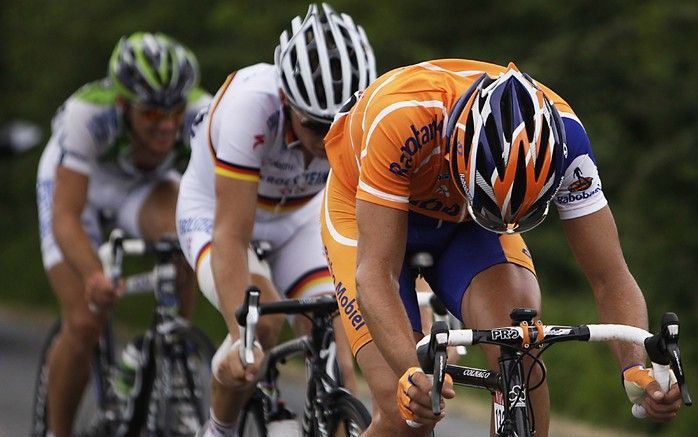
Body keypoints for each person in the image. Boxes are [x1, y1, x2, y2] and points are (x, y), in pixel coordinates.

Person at [320, 59, 684, 436]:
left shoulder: (567, 141)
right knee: (406, 413)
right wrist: (412, 372)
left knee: (519, 347)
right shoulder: (401, 119)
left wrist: (634, 370)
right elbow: (375, 276)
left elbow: (610, 275)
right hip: (365, 208)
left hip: (468, 221)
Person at [174, 4, 376, 436]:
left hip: (299, 218)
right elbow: (231, 235)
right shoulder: (250, 105)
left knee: (340, 346)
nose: (327, 141)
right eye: (315, 126)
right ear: (287, 100)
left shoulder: (369, 115)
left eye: (338, 125)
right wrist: (242, 337)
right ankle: (219, 429)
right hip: (215, 213)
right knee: (260, 324)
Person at [35, 32, 210, 437]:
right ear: (123, 104)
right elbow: (65, 217)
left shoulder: (204, 111)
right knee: (82, 321)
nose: (167, 124)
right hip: (79, 189)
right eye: (151, 114)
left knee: (186, 235)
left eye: (174, 112)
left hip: (140, 185)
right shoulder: (86, 114)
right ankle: (56, 431)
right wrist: (94, 275)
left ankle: (175, 357)